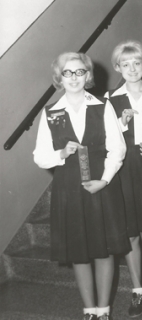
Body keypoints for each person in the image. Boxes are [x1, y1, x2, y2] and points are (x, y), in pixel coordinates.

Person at [34, 52, 129, 320]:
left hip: (101, 183)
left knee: (103, 249)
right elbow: (40, 156)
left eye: (79, 72)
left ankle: (104, 310)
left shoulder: (102, 106)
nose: (74, 77)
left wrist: (105, 180)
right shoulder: (52, 112)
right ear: (59, 77)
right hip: (69, 187)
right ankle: (89, 310)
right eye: (68, 72)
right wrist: (61, 154)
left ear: (87, 76)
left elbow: (117, 148)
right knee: (79, 250)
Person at [106, 41, 142, 318]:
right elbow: (104, 139)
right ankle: (137, 290)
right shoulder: (109, 99)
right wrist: (121, 125)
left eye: (137, 63)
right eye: (125, 64)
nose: (132, 69)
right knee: (130, 233)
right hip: (124, 171)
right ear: (118, 67)